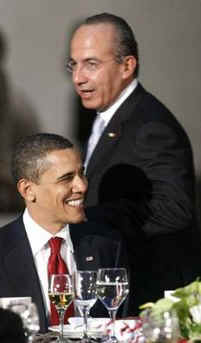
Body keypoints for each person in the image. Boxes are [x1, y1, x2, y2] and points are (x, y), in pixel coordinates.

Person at [67, 12, 201, 314]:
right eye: (73, 65)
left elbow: (175, 210)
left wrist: (84, 216)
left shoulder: (149, 125)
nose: (78, 77)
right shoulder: (108, 117)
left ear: (127, 65)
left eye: (91, 64)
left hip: (150, 302)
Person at [0, 133, 128, 333]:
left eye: (81, 173)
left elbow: (120, 324)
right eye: (66, 178)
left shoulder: (107, 244)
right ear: (27, 190)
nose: (82, 186)